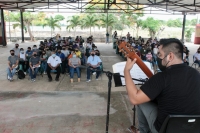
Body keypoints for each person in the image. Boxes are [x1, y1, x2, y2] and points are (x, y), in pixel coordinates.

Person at [124, 38, 200, 133]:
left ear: (170, 56)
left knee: (141, 102)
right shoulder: (196, 73)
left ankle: (143, 131)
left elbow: (134, 99)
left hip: (165, 129)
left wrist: (126, 71)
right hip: (194, 128)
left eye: (160, 54)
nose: (158, 57)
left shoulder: (162, 77)